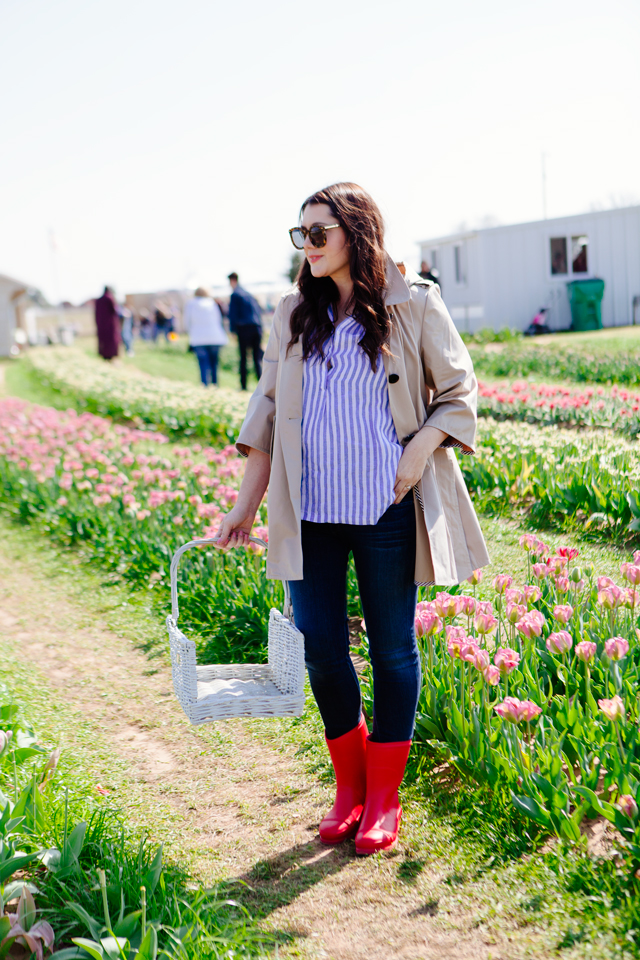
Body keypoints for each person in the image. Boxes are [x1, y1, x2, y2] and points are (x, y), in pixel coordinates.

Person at [216, 182, 489, 855]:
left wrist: (420, 449)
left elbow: (459, 394)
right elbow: (266, 419)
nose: (306, 246)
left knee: (393, 649)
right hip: (311, 515)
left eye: (318, 232)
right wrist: (242, 509)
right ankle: (350, 788)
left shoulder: (414, 304)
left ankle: (384, 798)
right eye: (300, 234)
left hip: (387, 511)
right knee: (321, 649)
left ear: (355, 233)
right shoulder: (291, 314)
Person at [184, 286, 228, 385]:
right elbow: (219, 320)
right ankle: (215, 385)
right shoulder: (212, 303)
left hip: (199, 338)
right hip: (215, 337)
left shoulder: (191, 304)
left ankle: (204, 385)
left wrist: (190, 332)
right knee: (214, 364)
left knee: (203, 364)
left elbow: (187, 322)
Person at [227, 272, 263, 390]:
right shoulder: (249, 294)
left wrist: (232, 330)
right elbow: (258, 312)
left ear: (232, 281)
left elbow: (233, 314)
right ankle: (262, 385)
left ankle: (243, 386)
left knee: (243, 358)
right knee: (256, 358)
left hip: (244, 328)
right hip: (256, 327)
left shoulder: (235, 294)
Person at [94, 286, 120, 360]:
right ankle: (110, 355)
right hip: (110, 325)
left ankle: (104, 354)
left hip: (101, 325)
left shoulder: (98, 300)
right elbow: (115, 310)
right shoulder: (109, 298)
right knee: (110, 340)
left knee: (103, 341)